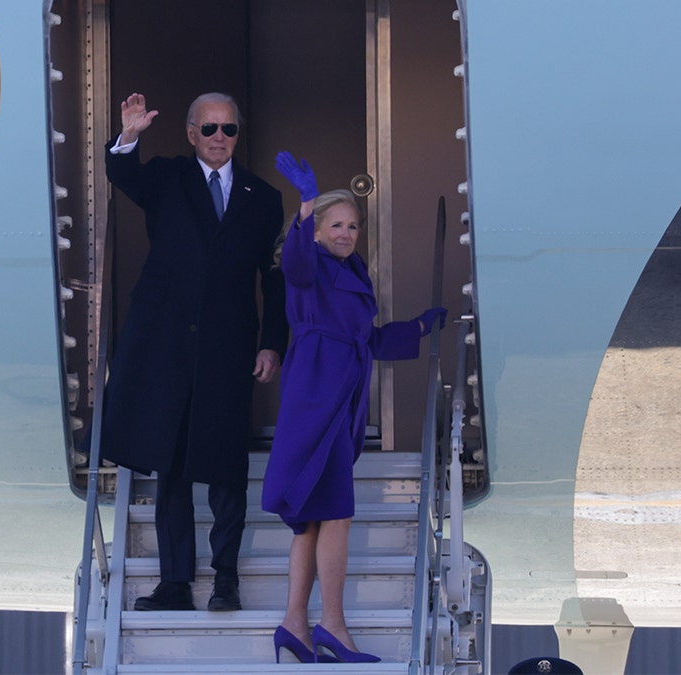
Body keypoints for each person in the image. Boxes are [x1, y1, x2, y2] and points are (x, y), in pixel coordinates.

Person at [100, 92, 288, 612]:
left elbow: (273, 278)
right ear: (190, 133)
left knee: (226, 465)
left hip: (228, 346)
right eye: (209, 129)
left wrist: (273, 341)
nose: (220, 138)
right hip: (166, 342)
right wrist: (129, 137)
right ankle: (175, 582)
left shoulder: (263, 197)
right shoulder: (165, 177)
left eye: (229, 129)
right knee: (172, 464)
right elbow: (123, 175)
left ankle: (225, 578)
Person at [263, 151, 446, 663]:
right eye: (336, 225)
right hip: (315, 396)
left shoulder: (352, 270)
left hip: (339, 398)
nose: (346, 233)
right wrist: (304, 202)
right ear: (317, 230)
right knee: (335, 514)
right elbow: (295, 263)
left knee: (313, 518)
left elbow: (368, 340)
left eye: (353, 226)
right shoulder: (309, 264)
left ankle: (295, 622)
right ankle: (334, 626)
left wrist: (420, 327)